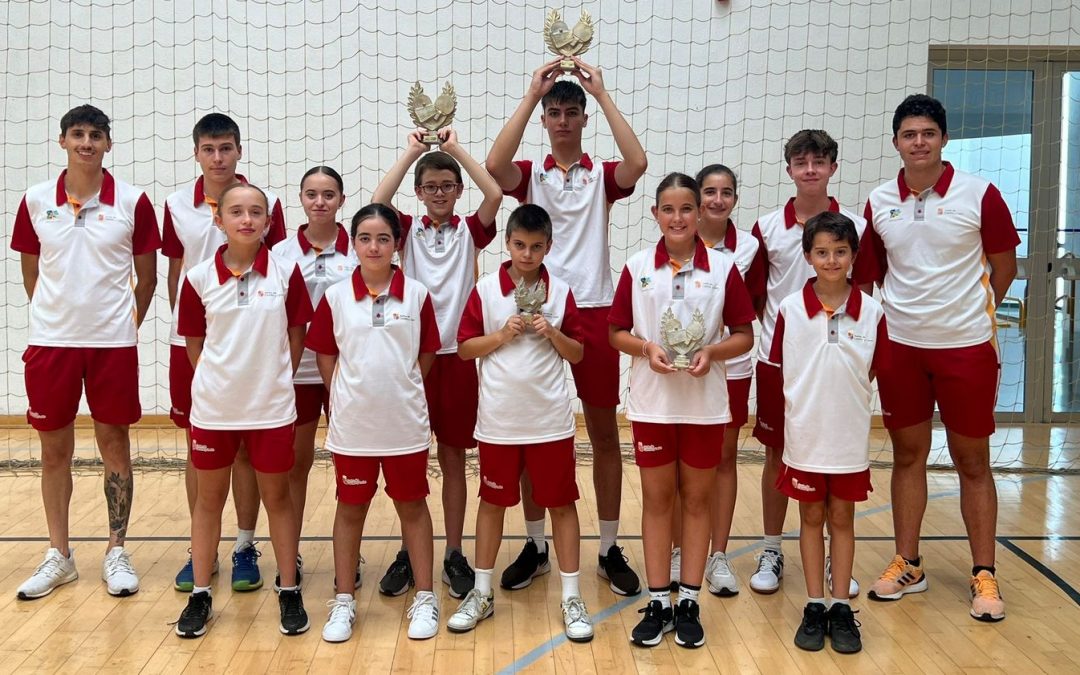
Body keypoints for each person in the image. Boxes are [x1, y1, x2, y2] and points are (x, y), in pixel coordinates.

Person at [486, 57, 648, 596]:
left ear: (582, 119)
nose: (561, 120)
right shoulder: (530, 174)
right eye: (553, 112)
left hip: (596, 313)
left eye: (569, 112)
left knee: (604, 436)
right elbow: (492, 163)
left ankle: (606, 548)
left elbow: (639, 162)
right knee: (534, 436)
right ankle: (535, 546)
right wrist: (532, 94)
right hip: (537, 313)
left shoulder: (602, 175)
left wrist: (600, 94)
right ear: (545, 119)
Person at [855, 94, 1019, 622]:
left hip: (967, 347)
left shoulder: (980, 194)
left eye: (928, 132)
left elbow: (1004, 268)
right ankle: (909, 563)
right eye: (909, 134)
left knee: (973, 461)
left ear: (944, 139)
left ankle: (983, 573)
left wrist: (964, 312)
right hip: (901, 347)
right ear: (897, 142)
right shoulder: (879, 201)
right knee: (907, 457)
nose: (919, 142)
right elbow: (871, 273)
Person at [11, 104, 160, 600]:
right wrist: (58, 317)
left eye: (96, 134)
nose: (87, 143)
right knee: (54, 452)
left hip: (111, 345)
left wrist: (121, 324)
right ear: (63, 142)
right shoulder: (34, 201)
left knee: (114, 444)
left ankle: (117, 549)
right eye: (78, 134)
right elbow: (32, 274)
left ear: (108, 144)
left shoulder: (134, 201)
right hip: (51, 344)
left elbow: (148, 278)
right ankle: (60, 555)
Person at [609, 173, 755, 649]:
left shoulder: (724, 267)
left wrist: (712, 353)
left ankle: (689, 599)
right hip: (652, 405)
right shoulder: (636, 267)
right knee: (657, 501)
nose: (678, 218)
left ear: (700, 214)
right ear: (655, 214)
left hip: (705, 407)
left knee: (696, 502)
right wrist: (647, 347)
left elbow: (744, 334)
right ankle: (657, 600)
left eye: (686, 209)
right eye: (668, 209)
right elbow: (616, 333)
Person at [447, 204, 593, 642]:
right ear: (507, 243)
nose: (527, 254)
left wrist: (552, 332)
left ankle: (571, 597)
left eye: (536, 247)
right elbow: (465, 349)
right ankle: (482, 591)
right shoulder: (486, 290)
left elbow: (579, 354)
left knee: (562, 506)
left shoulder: (562, 292)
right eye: (519, 245)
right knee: (492, 505)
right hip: (498, 422)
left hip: (549, 421)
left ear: (549, 246)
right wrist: (501, 335)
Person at [174, 183, 312, 638]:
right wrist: (220, 383)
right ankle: (200, 594)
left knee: (278, 499)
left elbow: (295, 336)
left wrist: (270, 380)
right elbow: (196, 345)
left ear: (269, 223)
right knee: (208, 502)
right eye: (237, 212)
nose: (247, 219)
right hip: (214, 411)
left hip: (271, 410)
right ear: (220, 220)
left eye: (256, 212)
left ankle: (289, 589)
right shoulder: (197, 278)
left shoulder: (287, 273)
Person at [371, 127, 502, 599]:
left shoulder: (471, 228)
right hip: (413, 359)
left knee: (452, 459)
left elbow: (495, 190)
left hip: (459, 359)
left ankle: (451, 552)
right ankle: (411, 549)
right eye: (431, 187)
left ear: (457, 190)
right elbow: (377, 200)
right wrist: (413, 150)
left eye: (447, 186)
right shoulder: (405, 231)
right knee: (410, 460)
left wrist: (452, 149)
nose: (440, 193)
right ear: (420, 193)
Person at [163, 113, 288, 593]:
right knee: (200, 454)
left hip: (251, 349)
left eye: (226, 148)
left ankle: (244, 546)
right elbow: (176, 274)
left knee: (245, 456)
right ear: (196, 152)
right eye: (209, 149)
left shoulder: (265, 203)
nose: (218, 157)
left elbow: (273, 269)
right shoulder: (175, 204)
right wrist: (195, 339)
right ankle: (203, 552)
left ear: (239, 151)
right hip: (193, 343)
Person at [306, 204, 442, 643]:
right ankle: (343, 600)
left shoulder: (418, 295)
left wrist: (400, 386)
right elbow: (326, 355)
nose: (374, 246)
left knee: (413, 508)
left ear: (397, 243)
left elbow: (425, 355)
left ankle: (425, 596)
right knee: (350, 510)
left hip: (404, 425)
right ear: (354, 243)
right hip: (353, 427)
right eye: (365, 238)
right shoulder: (335, 297)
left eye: (384, 238)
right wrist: (346, 393)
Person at [748, 130, 865, 597]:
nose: (811, 169)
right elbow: (758, 296)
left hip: (839, 362)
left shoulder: (853, 224)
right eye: (802, 161)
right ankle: (772, 548)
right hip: (780, 362)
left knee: (836, 459)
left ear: (833, 168)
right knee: (778, 454)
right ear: (790, 169)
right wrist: (789, 338)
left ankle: (838, 563)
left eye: (820, 161)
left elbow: (867, 289)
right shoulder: (767, 227)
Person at [774, 212, 889, 654]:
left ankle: (841, 605)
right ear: (808, 256)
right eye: (822, 252)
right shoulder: (789, 309)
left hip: (848, 439)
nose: (831, 259)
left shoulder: (873, 312)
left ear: (854, 256)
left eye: (841, 252)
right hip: (805, 436)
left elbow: (874, 370)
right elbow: (781, 368)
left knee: (842, 520)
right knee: (809, 519)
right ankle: (815, 604)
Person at [669, 165, 763, 596]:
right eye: (709, 191)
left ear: (735, 200)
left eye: (726, 192)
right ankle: (675, 550)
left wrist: (719, 351)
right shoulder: (673, 242)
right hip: (676, 374)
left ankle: (718, 555)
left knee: (723, 460)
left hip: (730, 371)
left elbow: (752, 308)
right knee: (674, 469)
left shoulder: (748, 247)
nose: (717, 200)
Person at [271, 166, 357, 590]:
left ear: (342, 199)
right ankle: (293, 552)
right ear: (300, 200)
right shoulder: (281, 254)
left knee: (348, 463)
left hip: (348, 374)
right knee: (296, 465)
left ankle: (350, 553)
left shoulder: (360, 250)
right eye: (311, 194)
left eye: (328, 194)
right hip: (299, 373)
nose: (319, 202)